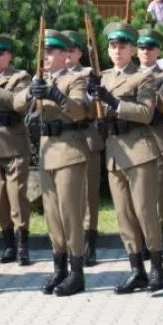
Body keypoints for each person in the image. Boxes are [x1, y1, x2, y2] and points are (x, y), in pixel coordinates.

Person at [89, 23, 163, 294]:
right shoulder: (103, 76)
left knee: (145, 212)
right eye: (113, 46)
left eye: (123, 45)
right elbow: (93, 110)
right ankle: (137, 270)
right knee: (124, 216)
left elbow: (146, 113)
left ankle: (157, 267)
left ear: (132, 48)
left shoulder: (142, 77)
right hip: (114, 152)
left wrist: (114, 103)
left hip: (139, 151)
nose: (117, 50)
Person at [17, 30, 89, 296]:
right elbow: (15, 103)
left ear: (64, 54)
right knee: (52, 217)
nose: (44, 57)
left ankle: (77, 272)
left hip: (69, 151)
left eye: (50, 52)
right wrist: (29, 94)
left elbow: (80, 109)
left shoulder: (75, 78)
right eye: (43, 52)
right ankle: (59, 267)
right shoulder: (39, 80)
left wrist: (56, 95)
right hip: (47, 153)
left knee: (70, 215)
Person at [0, 34, 32, 266]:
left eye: (0, 53)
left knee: (17, 198)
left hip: (14, 145)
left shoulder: (20, 77)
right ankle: (9, 244)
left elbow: (18, 102)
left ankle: (23, 246)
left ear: (9, 55)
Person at [61, 31, 105, 266]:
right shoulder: (54, 75)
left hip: (86, 136)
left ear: (79, 53)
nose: (67, 54)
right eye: (64, 50)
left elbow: (90, 104)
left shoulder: (87, 74)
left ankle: (90, 244)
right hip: (64, 140)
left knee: (88, 195)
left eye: (72, 50)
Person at [135, 30, 163, 264]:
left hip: (158, 139)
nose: (145, 52)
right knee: (137, 196)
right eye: (141, 47)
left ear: (158, 51)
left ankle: (159, 243)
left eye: (150, 48)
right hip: (136, 141)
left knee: (158, 195)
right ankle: (140, 242)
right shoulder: (128, 75)